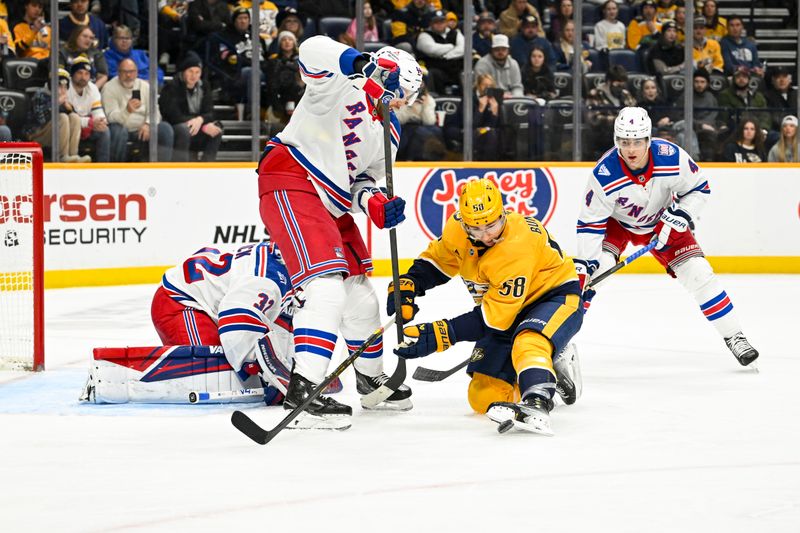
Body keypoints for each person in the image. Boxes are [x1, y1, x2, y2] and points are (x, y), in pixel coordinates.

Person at [256, 36, 422, 429]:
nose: (400, 105)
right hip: (291, 178)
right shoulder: (339, 81)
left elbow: (362, 182)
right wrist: (356, 61)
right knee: (325, 286)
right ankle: (305, 390)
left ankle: (370, 380)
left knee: (360, 293)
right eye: (400, 95)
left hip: (330, 202)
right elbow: (310, 47)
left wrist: (377, 204)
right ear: (385, 78)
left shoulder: (390, 132)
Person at [389, 178, 583, 435]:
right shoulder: (457, 229)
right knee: (483, 399)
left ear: (503, 213)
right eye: (476, 229)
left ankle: (537, 401)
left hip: (552, 299)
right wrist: (410, 283)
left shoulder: (517, 245)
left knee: (529, 340)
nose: (486, 235)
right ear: (463, 220)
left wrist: (443, 333)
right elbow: (438, 261)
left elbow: (494, 319)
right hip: (504, 309)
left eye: (492, 225)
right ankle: (547, 369)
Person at [575, 107, 759, 367]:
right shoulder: (604, 174)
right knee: (591, 277)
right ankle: (560, 342)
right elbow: (590, 223)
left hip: (664, 220)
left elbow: (699, 187)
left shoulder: (670, 156)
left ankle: (735, 336)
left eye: (637, 141)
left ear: (648, 140)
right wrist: (585, 265)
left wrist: (682, 214)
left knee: (699, 273)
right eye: (625, 141)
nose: (631, 149)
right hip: (618, 224)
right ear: (616, 141)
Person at [149, 242, 295, 406]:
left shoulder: (284, 264)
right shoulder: (270, 276)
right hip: (180, 302)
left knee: (240, 371)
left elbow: (280, 327)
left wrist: (289, 371)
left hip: (212, 303)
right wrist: (266, 372)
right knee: (213, 375)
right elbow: (238, 325)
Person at [102, 58, 174, 162]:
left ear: (136, 73)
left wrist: (148, 124)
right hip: (122, 128)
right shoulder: (109, 88)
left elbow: (155, 112)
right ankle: (117, 170)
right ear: (118, 72)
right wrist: (127, 111)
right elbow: (111, 117)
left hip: (142, 128)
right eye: (125, 72)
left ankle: (161, 170)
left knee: (165, 129)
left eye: (131, 72)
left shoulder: (145, 86)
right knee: (117, 131)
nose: (128, 75)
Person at [159, 52, 222, 162]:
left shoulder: (204, 86)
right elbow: (174, 116)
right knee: (184, 129)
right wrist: (200, 124)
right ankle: (181, 167)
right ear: (183, 72)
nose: (194, 76)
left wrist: (200, 120)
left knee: (217, 128)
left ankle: (207, 166)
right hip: (176, 129)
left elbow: (210, 112)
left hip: (197, 126)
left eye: (197, 72)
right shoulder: (171, 87)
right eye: (190, 71)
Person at [24, 67, 87, 162]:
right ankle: (63, 156)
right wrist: (56, 103)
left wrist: (70, 109)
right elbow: (41, 119)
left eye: (65, 87)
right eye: (59, 86)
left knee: (75, 117)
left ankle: (73, 155)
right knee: (62, 118)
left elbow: (72, 120)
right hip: (36, 134)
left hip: (53, 133)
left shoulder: (63, 97)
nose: (63, 90)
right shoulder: (41, 94)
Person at [66, 58, 110, 162]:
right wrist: (89, 122)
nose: (83, 77)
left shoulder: (92, 88)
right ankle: (71, 162)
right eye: (80, 73)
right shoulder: (65, 87)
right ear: (72, 74)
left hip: (88, 125)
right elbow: (69, 117)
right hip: (70, 127)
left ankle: (103, 167)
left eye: (87, 74)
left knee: (104, 131)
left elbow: (97, 110)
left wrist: (101, 121)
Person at [414, 9, 464, 95]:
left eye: (442, 21)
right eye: (436, 22)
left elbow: (463, 49)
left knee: (465, 72)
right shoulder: (424, 35)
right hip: (435, 68)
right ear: (431, 24)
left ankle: (465, 100)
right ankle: (439, 100)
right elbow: (433, 50)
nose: (439, 24)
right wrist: (452, 46)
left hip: (454, 68)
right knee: (434, 74)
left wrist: (446, 56)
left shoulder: (455, 33)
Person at [59, 24, 109, 90]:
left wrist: (93, 90)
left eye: (91, 38)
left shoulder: (96, 53)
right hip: (68, 88)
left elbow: (103, 75)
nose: (88, 40)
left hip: (90, 88)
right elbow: (59, 74)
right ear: (76, 36)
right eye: (85, 36)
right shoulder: (63, 52)